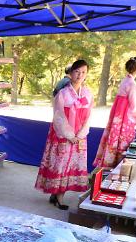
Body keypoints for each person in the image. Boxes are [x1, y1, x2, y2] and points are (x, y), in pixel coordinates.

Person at [35, 59, 93, 210]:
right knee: (61, 164)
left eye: (83, 72)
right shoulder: (63, 93)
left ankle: (58, 195)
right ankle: (58, 197)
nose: (80, 75)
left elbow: (89, 116)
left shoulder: (87, 93)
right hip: (63, 134)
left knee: (72, 165)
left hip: (79, 136)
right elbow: (59, 116)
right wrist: (69, 134)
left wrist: (81, 134)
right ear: (71, 73)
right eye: (77, 72)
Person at [94, 56, 136, 168]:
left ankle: (109, 164)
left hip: (118, 115)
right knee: (122, 142)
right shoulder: (132, 84)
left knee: (114, 138)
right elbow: (135, 106)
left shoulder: (125, 81)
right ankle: (117, 167)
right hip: (125, 119)